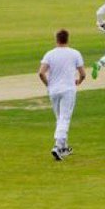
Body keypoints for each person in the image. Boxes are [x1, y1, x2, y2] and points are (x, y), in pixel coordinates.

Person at [38, 29, 86, 161]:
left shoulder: (50, 54)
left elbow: (41, 73)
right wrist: (79, 82)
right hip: (68, 90)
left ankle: (64, 147)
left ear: (56, 39)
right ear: (67, 39)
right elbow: (83, 74)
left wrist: (48, 85)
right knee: (64, 118)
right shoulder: (75, 53)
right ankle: (57, 146)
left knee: (59, 118)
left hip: (53, 91)